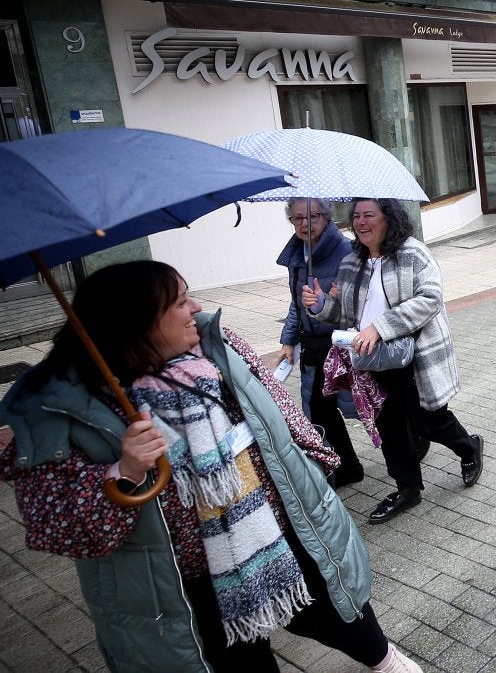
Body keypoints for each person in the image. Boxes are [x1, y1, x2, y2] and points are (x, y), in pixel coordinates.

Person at [0, 261, 422, 673]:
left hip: (277, 529)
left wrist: (316, 464)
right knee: (237, 657)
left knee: (335, 607)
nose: (197, 308)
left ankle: (384, 661)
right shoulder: (61, 408)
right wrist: (124, 471)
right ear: (136, 322)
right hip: (183, 580)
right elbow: (60, 526)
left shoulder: (217, 347)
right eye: (182, 302)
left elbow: (275, 407)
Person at [305, 198, 483, 524]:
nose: (360, 222)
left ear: (388, 217)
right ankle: (407, 489)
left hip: (414, 359)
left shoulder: (413, 253)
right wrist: (319, 305)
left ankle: (470, 448)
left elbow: (430, 299)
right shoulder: (352, 263)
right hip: (374, 360)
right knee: (389, 427)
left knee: (429, 421)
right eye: (356, 216)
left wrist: (380, 326)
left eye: (369, 215)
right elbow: (344, 313)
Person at [273, 197, 363, 487]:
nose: (304, 224)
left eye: (311, 217)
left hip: (341, 341)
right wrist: (288, 340)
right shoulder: (297, 255)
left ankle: (414, 438)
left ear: (326, 217)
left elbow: (361, 301)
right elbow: (295, 304)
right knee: (318, 409)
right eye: (297, 218)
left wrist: (332, 299)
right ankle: (346, 465)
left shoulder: (346, 251)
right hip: (313, 344)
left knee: (367, 406)